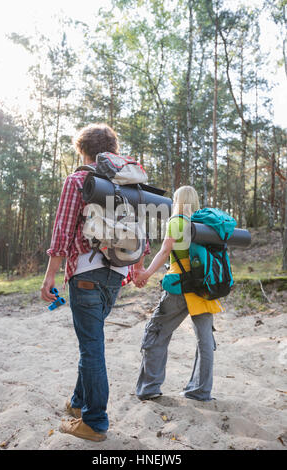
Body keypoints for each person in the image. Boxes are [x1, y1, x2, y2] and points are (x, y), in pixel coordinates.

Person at [41, 123, 148, 442]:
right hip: (115, 273)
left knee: (91, 346)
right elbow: (142, 232)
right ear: (112, 151)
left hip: (85, 272)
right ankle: (77, 405)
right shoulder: (130, 183)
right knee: (93, 341)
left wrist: (50, 276)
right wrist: (135, 269)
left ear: (83, 151)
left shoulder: (78, 179)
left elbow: (62, 232)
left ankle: (95, 421)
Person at [134, 186, 224, 402]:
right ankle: (201, 391)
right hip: (204, 288)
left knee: (156, 332)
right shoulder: (205, 226)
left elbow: (165, 251)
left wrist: (146, 273)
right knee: (205, 340)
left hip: (180, 286)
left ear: (178, 201)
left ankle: (150, 387)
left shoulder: (176, 221)